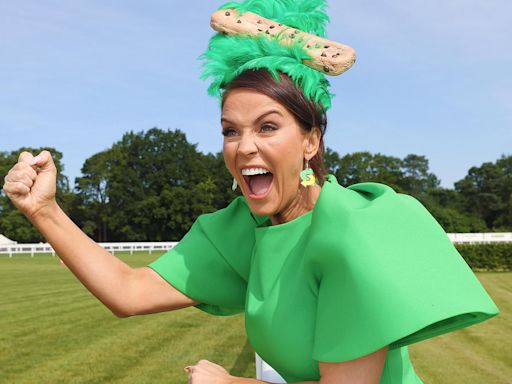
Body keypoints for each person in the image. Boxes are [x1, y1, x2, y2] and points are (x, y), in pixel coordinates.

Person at [2, 1, 499, 383]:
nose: (244, 148)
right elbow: (128, 292)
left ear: (310, 140)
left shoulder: (353, 231)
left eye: (267, 127)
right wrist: (42, 209)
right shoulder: (246, 227)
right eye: (230, 130)